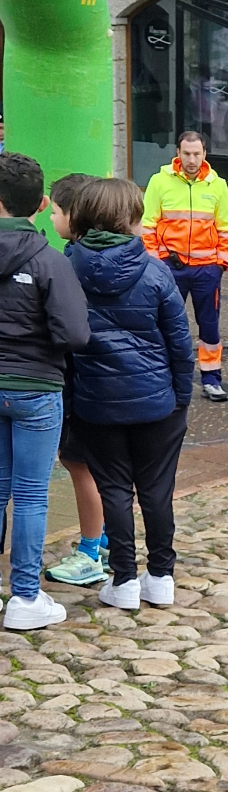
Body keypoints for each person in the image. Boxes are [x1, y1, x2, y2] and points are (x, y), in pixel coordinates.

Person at [65, 177, 194, 611]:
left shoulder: (67, 268)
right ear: (130, 219)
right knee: (157, 490)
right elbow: (179, 341)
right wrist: (181, 396)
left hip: (95, 400)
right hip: (156, 400)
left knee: (114, 488)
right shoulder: (155, 270)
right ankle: (160, 576)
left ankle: (122, 580)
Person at [0, 153, 91, 629]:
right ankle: (25, 598)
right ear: (38, 204)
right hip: (35, 386)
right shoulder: (49, 261)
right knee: (32, 495)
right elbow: (76, 333)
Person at [43, 172, 110, 589]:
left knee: (78, 461)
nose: (51, 218)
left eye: (55, 211)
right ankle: (101, 536)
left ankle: (90, 549)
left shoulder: (72, 262)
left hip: (83, 380)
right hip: (104, 380)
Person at [141, 131, 228, 401]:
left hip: (207, 268)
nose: (192, 159)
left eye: (197, 153)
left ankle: (212, 378)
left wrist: (221, 262)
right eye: (187, 153)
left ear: (205, 153)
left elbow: (226, 227)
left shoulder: (218, 185)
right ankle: (164, 376)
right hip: (170, 268)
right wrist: (155, 263)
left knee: (209, 326)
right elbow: (148, 225)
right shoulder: (160, 181)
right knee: (166, 322)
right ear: (178, 153)